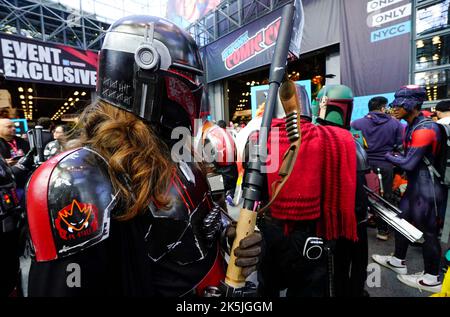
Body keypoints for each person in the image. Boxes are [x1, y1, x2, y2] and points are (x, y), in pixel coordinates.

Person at [24, 15, 261, 297]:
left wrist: (229, 236)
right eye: (187, 78)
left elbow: (200, 226)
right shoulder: (78, 178)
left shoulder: (177, 151)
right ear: (145, 72)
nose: (195, 89)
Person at [257, 83, 360, 297]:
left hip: (270, 228)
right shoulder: (335, 139)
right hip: (314, 232)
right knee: (309, 288)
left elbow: (254, 193)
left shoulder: (258, 139)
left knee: (268, 286)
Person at [372, 85, 444, 293]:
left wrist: (385, 155)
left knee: (430, 233)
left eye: (399, 102)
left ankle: (432, 278)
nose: (394, 106)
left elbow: (408, 163)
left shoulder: (425, 129)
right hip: (416, 186)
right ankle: (398, 260)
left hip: (428, 189)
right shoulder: (412, 126)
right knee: (401, 221)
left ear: (412, 103)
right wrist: (396, 156)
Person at [315, 84, 370, 297]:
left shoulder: (317, 136)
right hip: (355, 212)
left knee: (336, 267)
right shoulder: (354, 137)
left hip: (336, 214)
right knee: (354, 264)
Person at [351, 96, 404, 241]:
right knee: (385, 197)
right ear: (382, 107)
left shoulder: (356, 123)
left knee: (361, 196)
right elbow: (400, 146)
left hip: (363, 166)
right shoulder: (396, 124)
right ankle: (382, 230)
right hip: (386, 165)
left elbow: (353, 144)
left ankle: (359, 227)